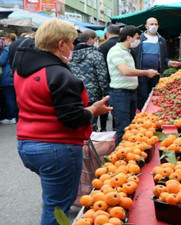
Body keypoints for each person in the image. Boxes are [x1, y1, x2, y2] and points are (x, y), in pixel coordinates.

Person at [13, 19, 112, 225]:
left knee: (52, 198)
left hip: (28, 144)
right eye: (72, 42)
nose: (73, 47)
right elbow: (72, 118)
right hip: (56, 148)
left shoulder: (23, 70)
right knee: (57, 208)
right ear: (61, 44)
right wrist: (93, 109)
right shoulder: (59, 74)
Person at [107, 25, 159, 146]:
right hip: (120, 94)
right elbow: (125, 71)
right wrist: (146, 72)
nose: (138, 41)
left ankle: (130, 154)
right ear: (129, 37)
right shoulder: (116, 51)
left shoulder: (128, 52)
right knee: (123, 129)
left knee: (130, 128)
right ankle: (120, 157)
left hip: (129, 94)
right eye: (136, 38)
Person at [134, 17, 181, 111]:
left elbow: (164, 57)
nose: (154, 26)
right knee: (142, 96)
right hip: (142, 72)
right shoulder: (139, 39)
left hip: (156, 73)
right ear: (146, 26)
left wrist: (169, 62)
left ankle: (151, 115)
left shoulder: (161, 40)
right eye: (151, 24)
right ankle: (142, 116)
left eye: (155, 24)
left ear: (158, 26)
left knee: (154, 96)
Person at [68, 30, 109, 132]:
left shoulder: (70, 54)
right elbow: (102, 76)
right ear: (90, 40)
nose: (97, 42)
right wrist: (105, 93)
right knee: (91, 124)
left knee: (78, 123)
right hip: (93, 94)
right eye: (96, 40)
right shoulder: (95, 54)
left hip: (74, 92)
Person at [98, 24, 121, 131]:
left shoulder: (103, 46)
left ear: (108, 33)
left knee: (105, 104)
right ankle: (116, 128)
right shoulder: (123, 46)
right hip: (121, 80)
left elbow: (99, 65)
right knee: (117, 108)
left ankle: (103, 128)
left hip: (106, 79)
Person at [0, 33, 17, 124]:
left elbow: (1, 61)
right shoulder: (17, 48)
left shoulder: (7, 49)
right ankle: (14, 116)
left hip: (7, 76)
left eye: (5, 40)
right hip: (15, 76)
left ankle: (11, 117)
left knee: (9, 98)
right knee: (13, 98)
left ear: (9, 40)